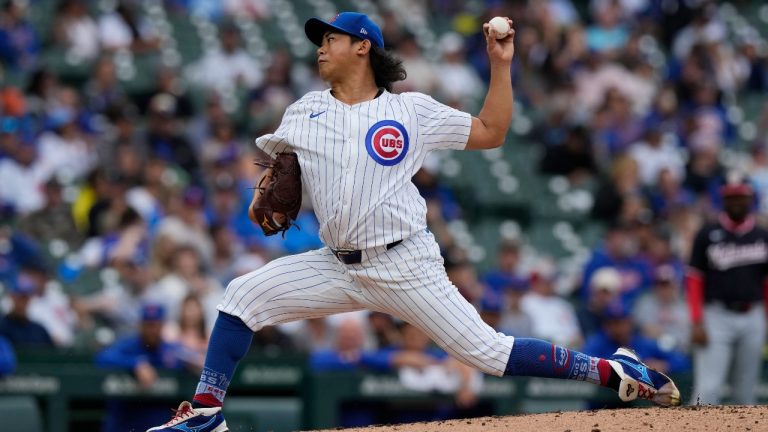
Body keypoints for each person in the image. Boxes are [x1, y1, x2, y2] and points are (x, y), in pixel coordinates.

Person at [146, 12, 679, 432]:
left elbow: (492, 130)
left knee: (488, 353)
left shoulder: (410, 112)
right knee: (241, 297)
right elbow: (275, 183)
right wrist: (263, 199)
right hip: (337, 264)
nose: (319, 47)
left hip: (405, 262)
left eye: (330, 38)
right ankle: (206, 413)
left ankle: (613, 371)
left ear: (362, 47)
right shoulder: (303, 110)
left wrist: (499, 64)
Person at [686, 178, 768, 405]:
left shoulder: (762, 235)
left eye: (740, 196)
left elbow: (766, 282)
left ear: (750, 198)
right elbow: (694, 279)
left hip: (753, 315)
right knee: (708, 391)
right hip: (716, 316)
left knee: (745, 394)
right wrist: (696, 320)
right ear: (723, 199)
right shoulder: (708, 233)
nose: (736, 201)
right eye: (731, 196)